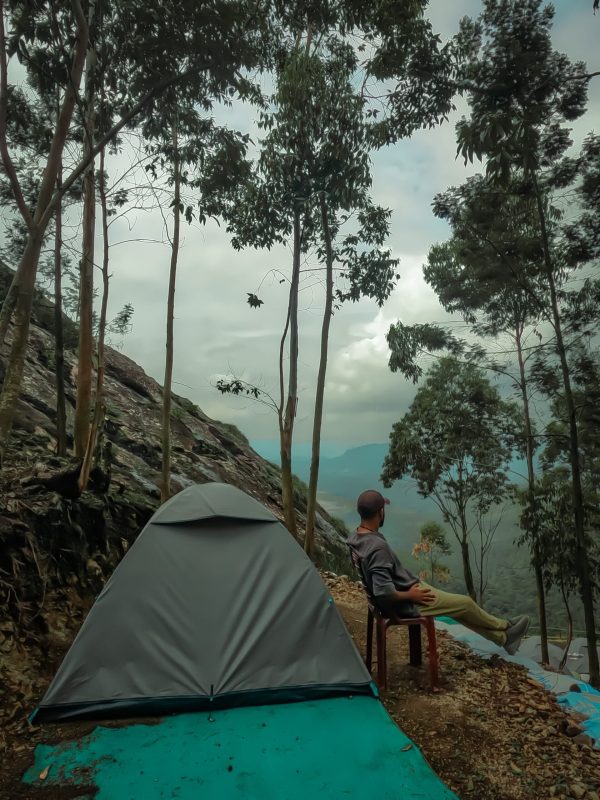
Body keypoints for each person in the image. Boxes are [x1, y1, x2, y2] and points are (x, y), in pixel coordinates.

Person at [348, 489, 530, 654]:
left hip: (405, 591)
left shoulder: (357, 536)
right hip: (406, 602)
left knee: (457, 607)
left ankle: (505, 638)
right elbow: (383, 591)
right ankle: (506, 626)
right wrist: (411, 595)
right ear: (380, 512)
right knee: (465, 603)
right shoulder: (377, 547)